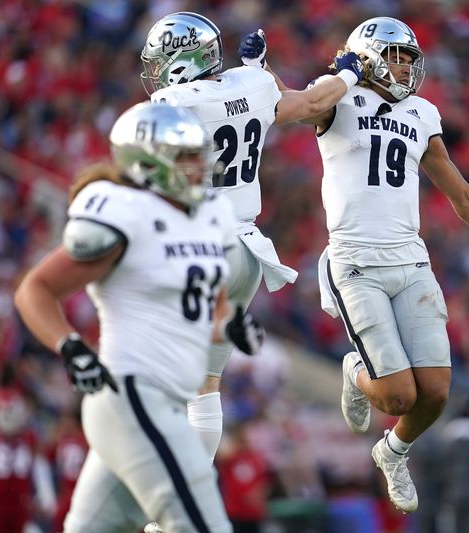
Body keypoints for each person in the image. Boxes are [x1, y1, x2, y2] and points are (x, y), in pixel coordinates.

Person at [240, 16, 469, 513]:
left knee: (437, 392)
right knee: (398, 396)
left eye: (410, 58)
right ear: (367, 56)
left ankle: (393, 451)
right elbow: (296, 102)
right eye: (396, 56)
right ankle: (354, 370)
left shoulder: (421, 113)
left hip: (411, 259)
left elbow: (461, 194)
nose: (405, 67)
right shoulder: (338, 91)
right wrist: (261, 68)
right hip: (356, 260)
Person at [15, 101, 265, 532]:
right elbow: (35, 289)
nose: (199, 166)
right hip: (133, 395)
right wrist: (70, 345)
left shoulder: (207, 214)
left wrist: (230, 325)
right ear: (147, 161)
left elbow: (213, 303)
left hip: (164, 401)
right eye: (185, 156)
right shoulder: (124, 213)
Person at [141, 11, 367, 465]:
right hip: (247, 252)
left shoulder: (170, 103)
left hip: (201, 248)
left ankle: (171, 500)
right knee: (204, 388)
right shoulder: (253, 84)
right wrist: (346, 74)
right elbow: (307, 103)